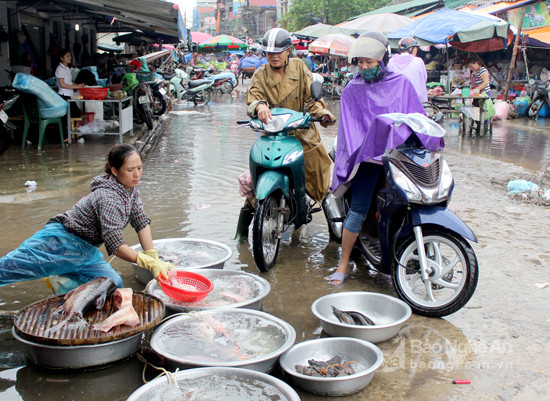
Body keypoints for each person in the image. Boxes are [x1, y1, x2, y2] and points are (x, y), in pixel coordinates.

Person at [0, 144, 173, 294]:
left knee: (112, 284)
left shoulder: (130, 190)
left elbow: (141, 222)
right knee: (8, 269)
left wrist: (153, 257)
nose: (137, 175)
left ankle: (63, 283)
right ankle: (58, 274)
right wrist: (146, 262)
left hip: (85, 250)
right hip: (59, 242)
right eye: (130, 170)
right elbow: (116, 245)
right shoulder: (108, 197)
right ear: (114, 171)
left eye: (140, 168)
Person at [329, 31, 425, 285]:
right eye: (360, 62)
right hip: (367, 158)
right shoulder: (352, 88)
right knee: (359, 208)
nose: (363, 67)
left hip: (397, 157)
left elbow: (415, 118)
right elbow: (349, 128)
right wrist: (360, 151)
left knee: (410, 204)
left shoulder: (401, 83)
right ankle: (343, 263)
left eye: (369, 62)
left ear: (383, 60)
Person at [235, 28, 336, 241]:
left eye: (278, 51)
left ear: (288, 50)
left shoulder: (300, 68)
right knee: (253, 187)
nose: (274, 56)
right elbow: (253, 98)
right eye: (269, 52)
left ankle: (336, 236)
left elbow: (313, 100)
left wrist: (323, 112)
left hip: (303, 136)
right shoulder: (260, 74)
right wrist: (259, 106)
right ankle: (240, 238)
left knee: (323, 186)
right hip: (273, 137)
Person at [387, 37, 428, 103]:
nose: (416, 51)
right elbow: (424, 79)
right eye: (416, 49)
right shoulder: (418, 61)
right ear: (411, 48)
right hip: (415, 99)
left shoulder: (390, 62)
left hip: (396, 99)